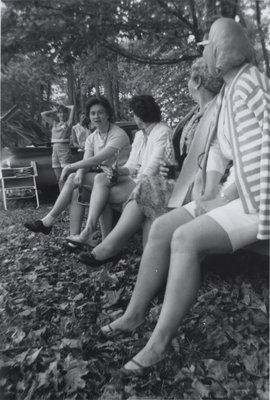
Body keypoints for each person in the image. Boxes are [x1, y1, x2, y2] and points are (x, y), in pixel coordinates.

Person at [99, 17, 270, 374]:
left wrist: (237, 198)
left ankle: (158, 345)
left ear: (223, 50)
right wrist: (210, 194)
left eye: (208, 43)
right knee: (162, 227)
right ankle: (133, 315)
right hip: (239, 195)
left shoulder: (252, 82)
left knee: (185, 239)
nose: (204, 51)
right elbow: (220, 152)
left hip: (261, 200)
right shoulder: (225, 95)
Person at [76, 58, 224, 267]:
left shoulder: (215, 113)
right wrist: (171, 169)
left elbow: (210, 160)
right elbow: (182, 162)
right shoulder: (195, 114)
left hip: (204, 186)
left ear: (198, 81)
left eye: (189, 80)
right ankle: (120, 249)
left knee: (146, 187)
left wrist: (171, 173)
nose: (187, 85)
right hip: (180, 182)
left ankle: (113, 248)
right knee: (128, 185)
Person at [66, 95, 173, 253]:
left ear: (140, 115)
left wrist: (131, 179)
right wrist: (117, 171)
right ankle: (93, 232)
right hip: (137, 179)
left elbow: (153, 167)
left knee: (99, 195)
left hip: (153, 183)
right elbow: (132, 165)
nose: (133, 117)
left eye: (134, 114)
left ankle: (102, 239)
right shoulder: (139, 135)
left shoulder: (162, 132)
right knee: (102, 179)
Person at [24, 96, 131, 237]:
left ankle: (48, 221)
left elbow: (97, 159)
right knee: (76, 188)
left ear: (108, 114)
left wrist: (70, 167)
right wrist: (80, 172)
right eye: (93, 113)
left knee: (73, 177)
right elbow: (87, 159)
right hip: (102, 177)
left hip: (121, 177)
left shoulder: (118, 134)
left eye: (101, 112)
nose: (96, 116)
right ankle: (73, 236)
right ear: (89, 116)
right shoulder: (92, 137)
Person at [41, 104, 74, 190]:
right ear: (57, 114)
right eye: (60, 113)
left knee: (66, 176)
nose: (62, 114)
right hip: (54, 149)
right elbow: (43, 114)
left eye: (64, 113)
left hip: (64, 149)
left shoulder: (68, 123)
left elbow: (72, 107)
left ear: (67, 114)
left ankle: (70, 197)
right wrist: (55, 111)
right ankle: (62, 198)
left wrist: (63, 107)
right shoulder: (55, 123)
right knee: (59, 177)